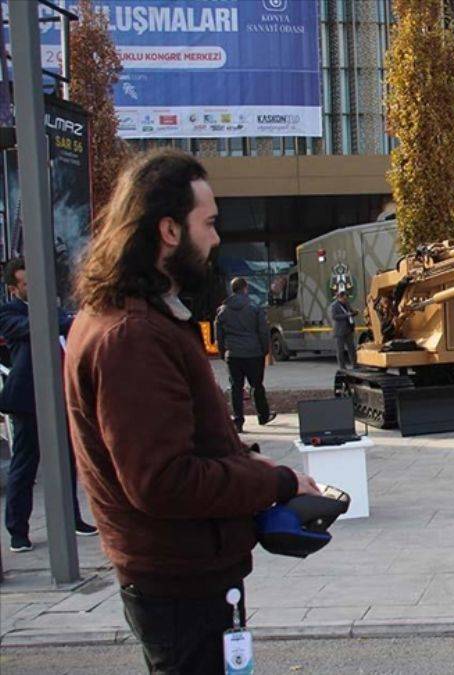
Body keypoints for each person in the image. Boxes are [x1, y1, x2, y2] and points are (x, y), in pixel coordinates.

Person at [63, 149, 321, 673]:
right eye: (208, 223)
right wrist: (276, 484)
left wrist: (249, 468)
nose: (217, 238)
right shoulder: (131, 335)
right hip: (179, 584)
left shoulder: (140, 318)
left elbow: (184, 446)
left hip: (186, 573)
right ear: (169, 231)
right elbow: (163, 480)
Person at [0, 258, 97, 553]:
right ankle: (18, 530)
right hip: (29, 400)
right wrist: (66, 319)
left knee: (67, 462)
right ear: (14, 288)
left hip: (61, 396)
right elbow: (37, 328)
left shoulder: (52, 311)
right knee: (25, 466)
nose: (34, 288)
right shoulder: (9, 312)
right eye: (28, 284)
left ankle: (72, 518)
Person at [215, 277, 275, 432]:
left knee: (236, 387)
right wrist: (264, 350)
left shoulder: (223, 310)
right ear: (245, 288)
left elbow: (219, 335)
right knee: (257, 385)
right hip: (253, 352)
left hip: (233, 354)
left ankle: (238, 421)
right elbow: (262, 331)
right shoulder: (254, 308)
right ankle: (263, 415)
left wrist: (223, 352)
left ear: (232, 289)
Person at [328, 289, 358, 369]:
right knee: (340, 350)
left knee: (352, 349)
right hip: (339, 331)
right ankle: (342, 367)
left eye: (347, 298)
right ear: (339, 297)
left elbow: (351, 311)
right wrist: (347, 315)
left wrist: (354, 312)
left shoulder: (347, 304)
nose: (346, 300)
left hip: (348, 329)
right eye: (344, 298)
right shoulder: (334, 306)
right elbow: (334, 317)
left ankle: (355, 365)